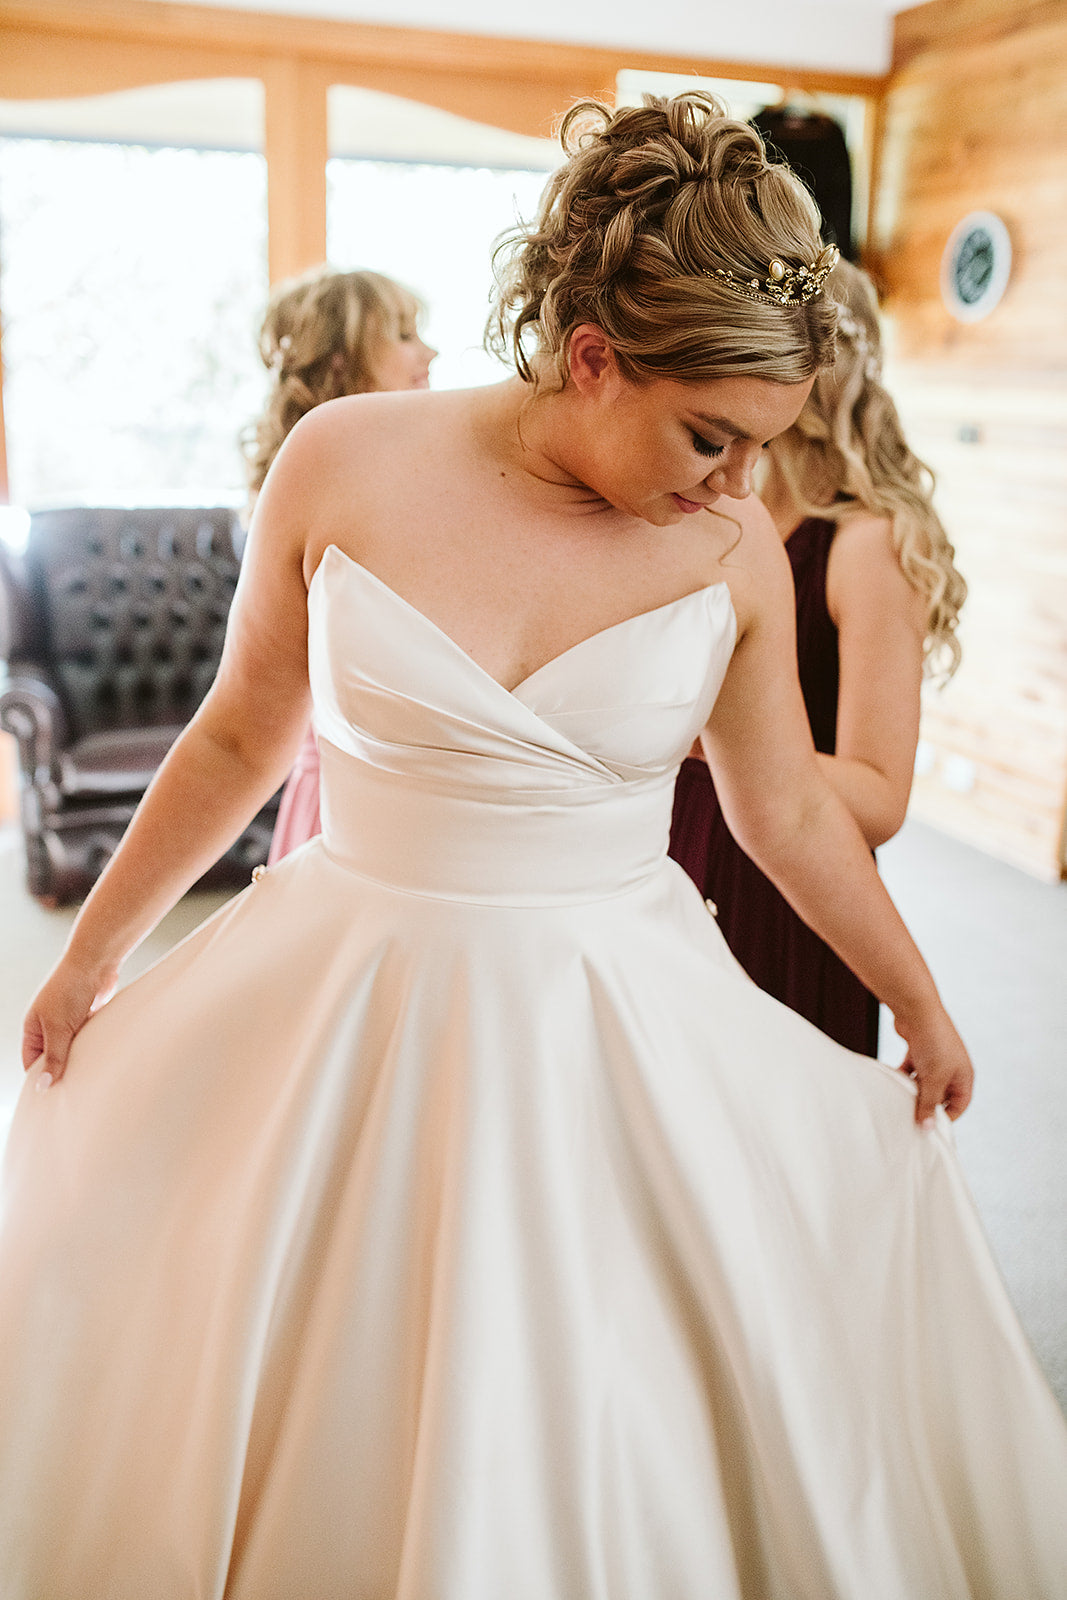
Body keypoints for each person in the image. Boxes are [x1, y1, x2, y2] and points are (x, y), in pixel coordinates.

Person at [1, 92, 1065, 1599]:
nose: (736, 487)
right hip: (349, 997)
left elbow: (779, 812)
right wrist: (92, 959)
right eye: (709, 437)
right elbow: (240, 735)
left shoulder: (731, 552)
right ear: (591, 355)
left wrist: (918, 997)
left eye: (759, 448)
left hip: (610, 1017)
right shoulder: (341, 460)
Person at [669, 257, 967, 1054]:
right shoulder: (711, 511)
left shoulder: (866, 545)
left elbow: (879, 796)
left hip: (785, 892)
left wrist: (698, 738)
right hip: (672, 851)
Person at [243, 265, 437, 863]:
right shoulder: (312, 495)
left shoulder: (428, 474)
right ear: (339, 361)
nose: (429, 352)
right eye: (403, 335)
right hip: (344, 804)